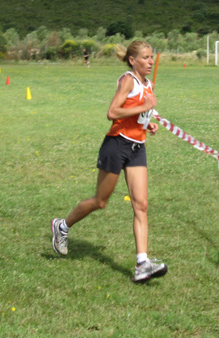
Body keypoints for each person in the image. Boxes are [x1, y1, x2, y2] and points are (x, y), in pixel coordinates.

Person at [51, 40, 167, 283]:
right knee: (100, 201)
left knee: (141, 205)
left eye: (151, 57)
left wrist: (149, 123)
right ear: (132, 60)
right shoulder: (128, 80)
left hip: (137, 147)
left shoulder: (149, 84)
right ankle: (62, 225)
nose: (149, 61)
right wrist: (143, 107)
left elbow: (139, 115)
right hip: (116, 146)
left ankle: (142, 263)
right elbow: (112, 112)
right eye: (145, 57)